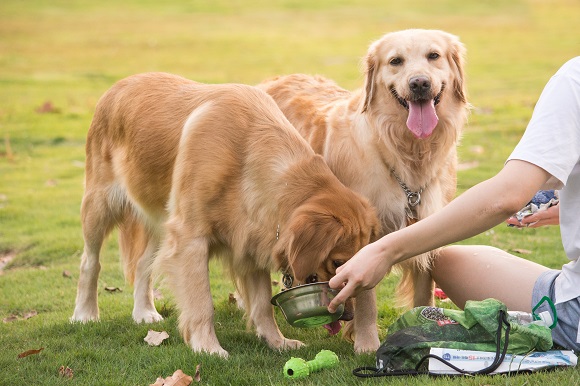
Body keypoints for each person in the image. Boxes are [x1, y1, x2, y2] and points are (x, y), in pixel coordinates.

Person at [327, 57, 580, 351]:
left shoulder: (573, 79)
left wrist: (384, 249)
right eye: (396, 61)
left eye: (434, 57)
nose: (419, 76)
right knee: (446, 258)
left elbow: (506, 197)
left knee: (444, 260)